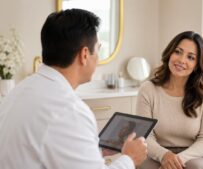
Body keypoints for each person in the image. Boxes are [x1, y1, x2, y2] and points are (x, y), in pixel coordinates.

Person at [0, 9, 147, 169]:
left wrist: (93, 149)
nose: (98, 56)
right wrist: (129, 159)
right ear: (84, 54)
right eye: (99, 48)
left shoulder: (19, 91)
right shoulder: (70, 110)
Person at [136, 31, 203, 169]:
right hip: (157, 153)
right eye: (178, 52)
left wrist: (175, 160)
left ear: (197, 64)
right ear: (170, 53)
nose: (182, 60)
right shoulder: (148, 89)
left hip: (198, 155)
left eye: (191, 57)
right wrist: (164, 156)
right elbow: (145, 135)